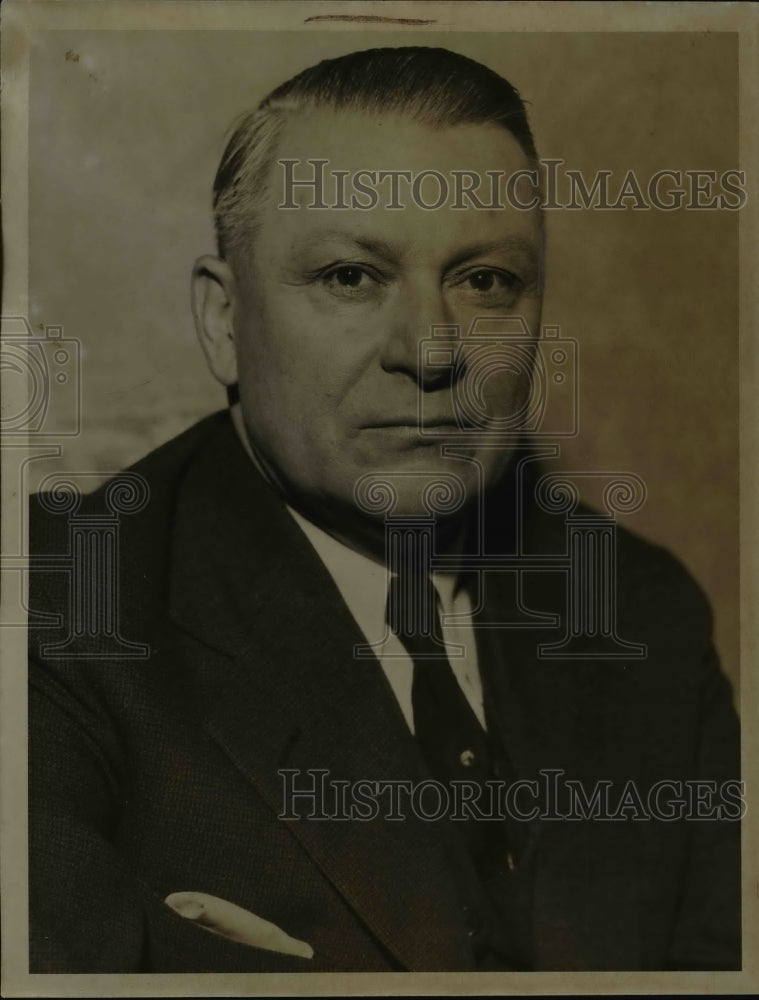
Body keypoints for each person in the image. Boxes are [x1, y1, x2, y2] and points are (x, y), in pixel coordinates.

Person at [28, 46, 741, 973]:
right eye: (350, 277)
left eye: (485, 281)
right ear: (222, 320)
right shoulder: (56, 612)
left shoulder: (645, 612)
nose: (431, 349)